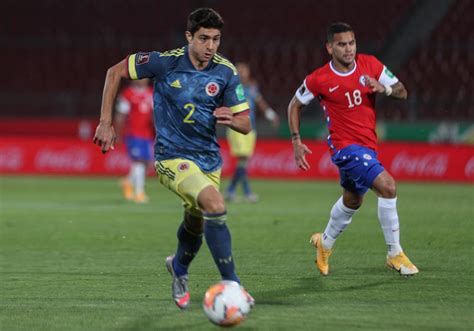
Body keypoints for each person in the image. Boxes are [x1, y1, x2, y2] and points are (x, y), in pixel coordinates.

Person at [93, 8, 255, 308]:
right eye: (204, 38)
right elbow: (114, 72)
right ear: (189, 37)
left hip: (209, 161)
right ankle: (233, 285)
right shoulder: (164, 63)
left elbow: (246, 124)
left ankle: (179, 268)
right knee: (215, 205)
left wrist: (232, 118)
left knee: (195, 224)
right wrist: (105, 121)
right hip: (171, 158)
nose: (211, 46)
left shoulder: (225, 72)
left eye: (216, 39)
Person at [287, 22, 418, 276]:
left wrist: (385, 89)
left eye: (352, 43)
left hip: (368, 145)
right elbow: (294, 104)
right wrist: (296, 140)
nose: (348, 49)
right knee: (388, 187)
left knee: (352, 200)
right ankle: (395, 254)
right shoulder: (319, 78)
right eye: (341, 44)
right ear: (329, 47)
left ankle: (324, 244)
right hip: (344, 148)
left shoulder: (371, 65)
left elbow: (403, 91)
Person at [225, 62, 279, 203]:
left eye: (244, 70)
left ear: (248, 72)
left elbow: (260, 102)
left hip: (251, 129)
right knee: (242, 159)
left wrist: (270, 114)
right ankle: (247, 193)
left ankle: (230, 191)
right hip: (237, 128)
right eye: (240, 70)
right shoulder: (231, 87)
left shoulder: (252, 87)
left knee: (243, 162)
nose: (242, 73)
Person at [114, 79, 154, 203]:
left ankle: (128, 181)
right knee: (139, 161)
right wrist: (117, 133)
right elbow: (120, 115)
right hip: (133, 133)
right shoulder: (127, 94)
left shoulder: (151, 93)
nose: (144, 79)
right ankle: (139, 193)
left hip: (147, 134)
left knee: (147, 164)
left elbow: (155, 113)